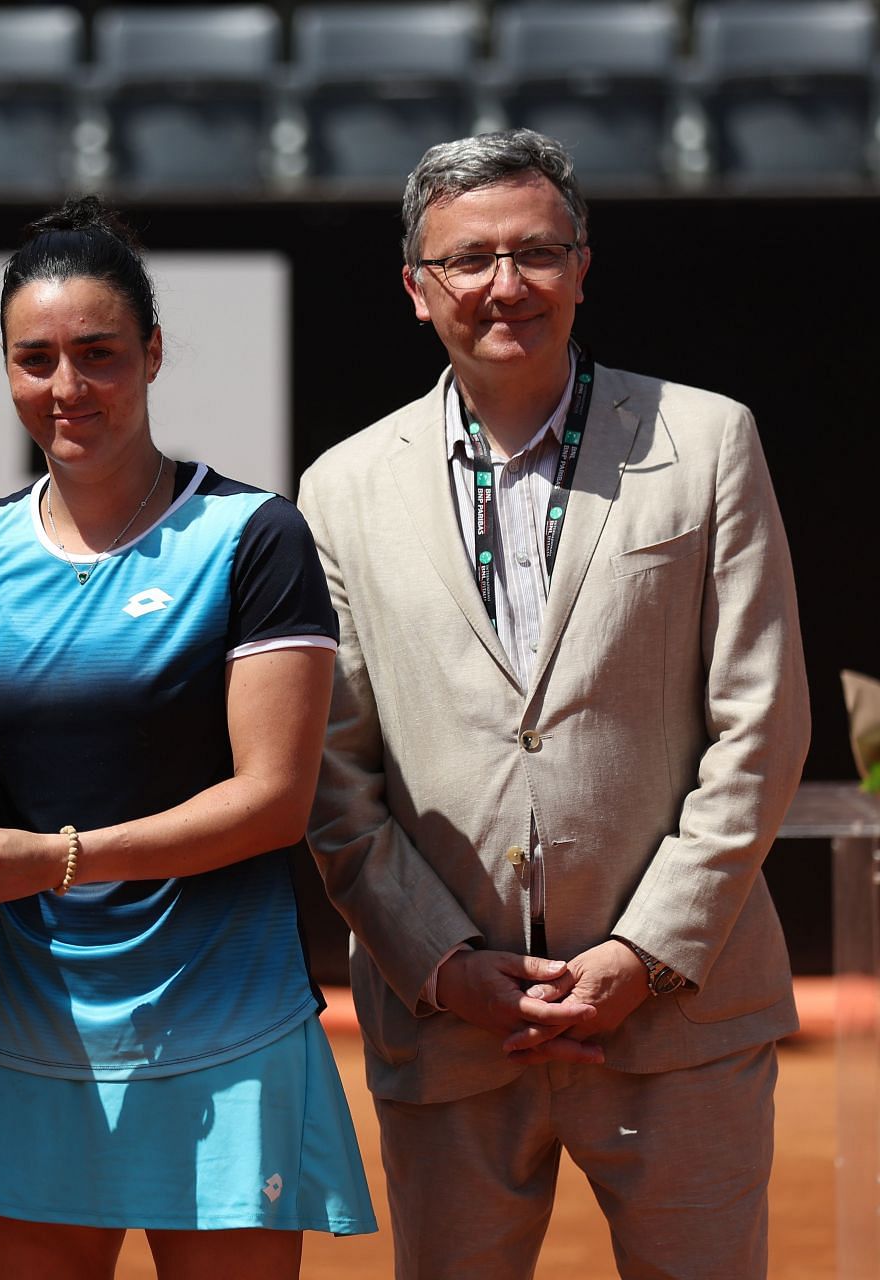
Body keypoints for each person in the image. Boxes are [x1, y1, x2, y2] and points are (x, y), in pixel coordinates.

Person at [297, 129, 808, 1279]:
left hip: (678, 1016)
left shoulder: (708, 439)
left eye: (536, 251)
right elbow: (334, 770)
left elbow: (762, 723)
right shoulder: (340, 487)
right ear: (417, 291)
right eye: (469, 259)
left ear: (584, 267)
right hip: (452, 1025)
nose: (505, 284)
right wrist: (441, 960)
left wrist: (646, 949)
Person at [0, 196, 376, 1278]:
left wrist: (51, 859)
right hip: (26, 1020)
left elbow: (274, 798)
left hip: (224, 1023)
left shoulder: (251, 536)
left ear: (151, 354)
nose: (66, 389)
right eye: (35, 359)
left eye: (98, 355)